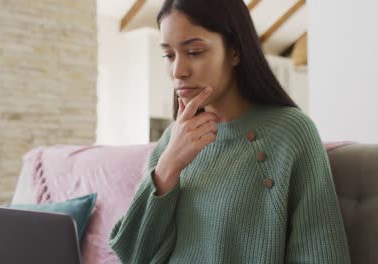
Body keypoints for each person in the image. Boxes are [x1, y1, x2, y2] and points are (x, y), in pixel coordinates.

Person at [109, 0, 351, 263]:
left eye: (194, 52)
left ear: (235, 51)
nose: (178, 71)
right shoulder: (173, 139)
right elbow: (133, 255)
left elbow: (320, 252)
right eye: (169, 55)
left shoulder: (291, 132)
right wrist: (168, 167)